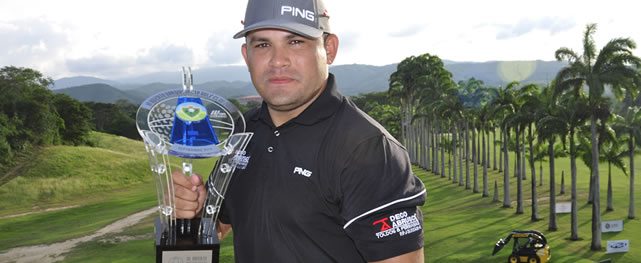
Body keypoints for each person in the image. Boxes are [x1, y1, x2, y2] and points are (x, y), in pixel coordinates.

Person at [171, 0, 427, 261]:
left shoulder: (367, 148)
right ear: (247, 56)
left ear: (329, 49)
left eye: (295, 42)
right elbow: (218, 227)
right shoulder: (243, 133)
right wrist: (196, 212)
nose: (277, 61)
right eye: (262, 45)